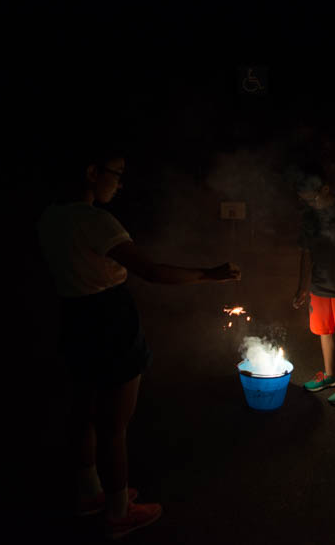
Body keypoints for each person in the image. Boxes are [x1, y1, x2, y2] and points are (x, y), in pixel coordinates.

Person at [37, 147, 240, 539]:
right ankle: (117, 512)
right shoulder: (95, 221)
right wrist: (209, 274)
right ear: (92, 172)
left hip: (73, 316)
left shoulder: (48, 217)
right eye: (116, 173)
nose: (120, 182)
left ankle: (90, 492)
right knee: (115, 424)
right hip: (109, 321)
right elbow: (150, 271)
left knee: (83, 411)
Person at [291, 164, 335, 405]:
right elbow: (306, 252)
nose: (310, 203)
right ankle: (330, 375)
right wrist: (303, 286)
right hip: (319, 285)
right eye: (305, 199)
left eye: (312, 197)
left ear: (324, 189)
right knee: (324, 330)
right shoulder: (310, 214)